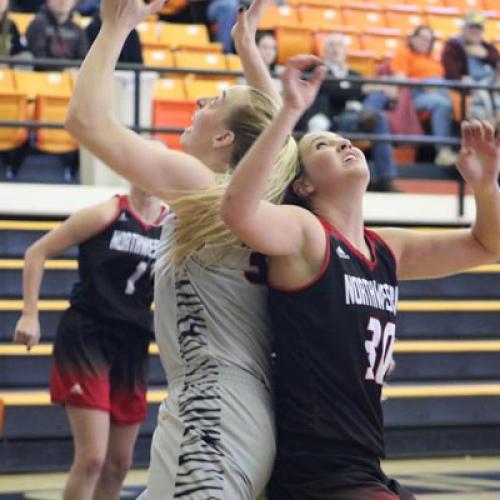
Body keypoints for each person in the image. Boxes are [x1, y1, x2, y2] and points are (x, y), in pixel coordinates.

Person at [221, 54, 500, 499]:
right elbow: (238, 210)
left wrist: (485, 186)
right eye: (322, 146)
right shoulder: (307, 234)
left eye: (341, 139)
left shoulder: (386, 247)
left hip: (363, 464)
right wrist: (292, 110)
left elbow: (489, 245)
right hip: (316, 471)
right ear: (304, 186)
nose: (342, 143)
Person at [65, 0, 299, 498]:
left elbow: (86, 122)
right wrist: (248, 51)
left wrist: (113, 29)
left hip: (212, 413)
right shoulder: (252, 198)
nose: (199, 104)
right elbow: (277, 140)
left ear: (224, 138)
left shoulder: (204, 185)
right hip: (230, 408)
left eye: (212, 101)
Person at [13, 186, 167, 500]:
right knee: (92, 458)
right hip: (88, 336)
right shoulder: (106, 213)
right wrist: (29, 313)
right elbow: (36, 252)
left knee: (118, 464)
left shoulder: (171, 226)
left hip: (132, 342)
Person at [300, 33, 400, 192]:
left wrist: (376, 91)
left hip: (356, 117)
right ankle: (368, 114)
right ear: (324, 51)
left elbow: (359, 93)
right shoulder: (317, 70)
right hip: (333, 119)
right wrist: (359, 89)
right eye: (331, 45)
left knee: (379, 111)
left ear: (345, 51)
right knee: (375, 105)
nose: (335, 50)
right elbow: (327, 89)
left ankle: (385, 179)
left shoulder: (356, 75)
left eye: (339, 46)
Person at [391, 25, 458, 167]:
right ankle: (443, 151)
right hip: (412, 97)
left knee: (458, 104)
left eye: (428, 39)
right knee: (443, 102)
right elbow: (400, 81)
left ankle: (461, 149)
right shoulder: (404, 54)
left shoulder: (433, 59)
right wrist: (424, 85)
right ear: (413, 38)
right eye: (421, 38)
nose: (424, 42)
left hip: (438, 94)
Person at [442, 11, 500, 123]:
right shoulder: (453, 46)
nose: (475, 31)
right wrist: (463, 80)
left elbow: (498, 64)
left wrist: (485, 55)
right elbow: (451, 74)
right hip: (468, 91)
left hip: (491, 88)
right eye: (471, 27)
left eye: (478, 28)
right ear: (464, 28)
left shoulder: (487, 47)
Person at [26, 0, 88, 71]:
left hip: (73, 76)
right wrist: (63, 70)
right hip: (42, 77)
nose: (63, 2)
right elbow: (38, 57)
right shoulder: (38, 24)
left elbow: (83, 57)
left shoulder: (78, 30)